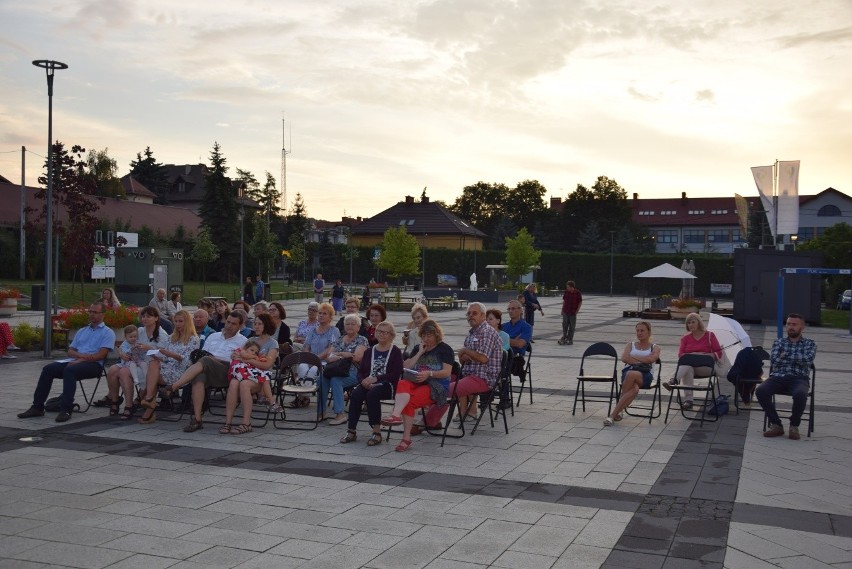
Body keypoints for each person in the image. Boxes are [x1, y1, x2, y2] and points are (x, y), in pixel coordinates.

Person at [18, 301, 115, 423]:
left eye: (95, 312)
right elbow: (70, 351)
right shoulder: (82, 331)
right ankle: (37, 407)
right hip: (75, 360)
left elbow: (101, 355)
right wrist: (80, 357)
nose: (91, 314)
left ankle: (66, 409)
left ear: (103, 314)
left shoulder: (108, 332)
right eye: (90, 312)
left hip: (94, 365)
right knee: (48, 369)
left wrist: (81, 359)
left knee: (70, 370)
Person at [163, 309, 249, 432]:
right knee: (199, 376)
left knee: (206, 360)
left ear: (240, 325)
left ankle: (174, 386)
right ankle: (197, 419)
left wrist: (213, 360)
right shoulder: (213, 336)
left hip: (226, 371)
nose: (229, 325)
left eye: (233, 324)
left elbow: (239, 363)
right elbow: (202, 355)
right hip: (206, 367)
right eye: (228, 322)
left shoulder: (243, 341)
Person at [381, 319, 454, 452]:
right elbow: (405, 366)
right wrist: (420, 352)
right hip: (416, 381)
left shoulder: (445, 349)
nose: (426, 338)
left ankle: (406, 438)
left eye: (429, 335)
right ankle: (396, 415)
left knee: (409, 402)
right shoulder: (418, 348)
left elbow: (447, 372)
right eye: (424, 335)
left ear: (436, 334)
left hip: (436, 386)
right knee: (403, 383)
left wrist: (429, 373)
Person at [340, 320, 403, 446]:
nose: (382, 334)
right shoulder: (369, 351)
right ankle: (351, 430)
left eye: (385, 332)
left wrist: (376, 379)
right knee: (356, 394)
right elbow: (361, 371)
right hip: (368, 382)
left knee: (372, 394)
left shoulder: (395, 351)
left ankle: (377, 432)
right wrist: (362, 381)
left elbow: (396, 374)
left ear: (391, 335)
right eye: (379, 331)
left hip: (387, 384)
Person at [756, 313, 817, 440]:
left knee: (800, 394)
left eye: (794, 324)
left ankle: (794, 425)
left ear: (802, 327)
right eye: (788, 324)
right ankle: (776, 424)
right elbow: (775, 361)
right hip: (778, 377)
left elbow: (807, 360)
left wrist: (785, 355)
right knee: (761, 390)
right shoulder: (779, 342)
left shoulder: (810, 343)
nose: (790, 327)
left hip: (799, 377)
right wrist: (795, 357)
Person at [220, 313, 280, 434]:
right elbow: (237, 355)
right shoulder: (251, 340)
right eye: (255, 323)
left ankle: (246, 423)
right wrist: (246, 359)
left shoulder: (273, 344)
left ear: (266, 325)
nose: (256, 326)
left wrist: (246, 359)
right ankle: (228, 422)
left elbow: (266, 365)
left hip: (260, 378)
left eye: (260, 324)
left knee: (244, 384)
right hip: (245, 372)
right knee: (233, 383)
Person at [136, 309, 200, 423]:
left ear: (187, 322)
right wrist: (157, 355)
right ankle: (149, 400)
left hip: (182, 372)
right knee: (153, 362)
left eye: (181, 321)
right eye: (175, 321)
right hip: (167, 367)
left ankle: (149, 401)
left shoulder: (193, 339)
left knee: (152, 375)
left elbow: (188, 363)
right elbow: (165, 358)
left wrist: (173, 355)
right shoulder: (171, 337)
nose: (178, 324)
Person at [111, 306, 168, 421]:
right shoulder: (140, 331)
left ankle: (129, 405)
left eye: (148, 316)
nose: (144, 319)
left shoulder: (162, 335)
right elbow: (125, 344)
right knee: (112, 370)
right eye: (143, 316)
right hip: (137, 361)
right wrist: (122, 354)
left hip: (153, 366)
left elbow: (164, 357)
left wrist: (149, 348)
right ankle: (116, 401)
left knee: (123, 372)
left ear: (156, 318)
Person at [605, 321, 661, 426]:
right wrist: (641, 360)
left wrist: (634, 357)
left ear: (649, 332)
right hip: (627, 374)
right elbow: (624, 358)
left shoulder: (655, 347)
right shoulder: (630, 345)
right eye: (637, 331)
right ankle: (615, 414)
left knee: (631, 373)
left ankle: (614, 414)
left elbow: (651, 359)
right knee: (634, 389)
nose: (639, 333)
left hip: (645, 375)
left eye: (642, 330)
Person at [453, 302, 503, 422]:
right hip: (471, 374)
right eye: (468, 314)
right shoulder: (472, 333)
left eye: (474, 313)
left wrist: (465, 351)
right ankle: (464, 411)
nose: (471, 316)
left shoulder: (487, 332)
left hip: (485, 377)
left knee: (454, 386)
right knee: (454, 377)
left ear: (483, 316)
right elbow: (463, 360)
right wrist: (463, 357)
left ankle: (471, 411)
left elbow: (483, 358)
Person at [662, 313, 723, 410]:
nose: (691, 324)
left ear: (699, 322)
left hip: (706, 368)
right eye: (688, 323)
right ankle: (688, 400)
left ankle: (673, 381)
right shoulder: (685, 338)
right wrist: (693, 355)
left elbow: (719, 353)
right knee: (687, 367)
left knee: (686, 365)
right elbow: (680, 355)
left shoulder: (710, 335)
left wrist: (704, 355)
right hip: (690, 367)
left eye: (693, 322)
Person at [321, 314, 370, 424]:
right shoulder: (339, 339)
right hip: (335, 370)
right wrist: (344, 355)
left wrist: (338, 354)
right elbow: (329, 357)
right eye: (347, 324)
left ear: (358, 327)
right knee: (322, 379)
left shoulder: (362, 340)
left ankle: (340, 414)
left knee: (335, 380)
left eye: (353, 324)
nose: (350, 326)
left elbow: (356, 357)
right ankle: (321, 412)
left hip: (354, 372)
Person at [291, 302, 340, 408]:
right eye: (320, 313)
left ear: (330, 317)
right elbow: (307, 346)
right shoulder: (313, 330)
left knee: (313, 370)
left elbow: (330, 349)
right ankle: (304, 397)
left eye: (325, 314)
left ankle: (302, 397)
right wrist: (309, 357)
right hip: (310, 359)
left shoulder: (334, 331)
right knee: (302, 367)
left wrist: (316, 358)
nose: (321, 315)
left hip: (324, 361)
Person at [559, 280, 582, 346]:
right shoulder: (566, 292)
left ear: (572, 287)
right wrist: (562, 309)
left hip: (573, 312)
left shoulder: (577, 293)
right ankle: (564, 337)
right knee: (564, 325)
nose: (567, 288)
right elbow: (564, 301)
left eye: (568, 287)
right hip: (566, 311)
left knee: (572, 327)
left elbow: (580, 302)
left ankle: (570, 339)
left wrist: (577, 310)